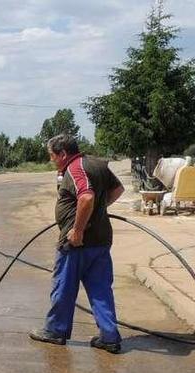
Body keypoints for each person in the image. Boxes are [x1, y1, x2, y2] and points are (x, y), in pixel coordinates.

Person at [29, 134, 125, 354]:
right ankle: (110, 337)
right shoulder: (97, 164)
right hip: (100, 240)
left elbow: (86, 198)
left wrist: (79, 229)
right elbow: (117, 190)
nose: (52, 160)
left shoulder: (75, 168)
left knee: (63, 286)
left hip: (77, 243)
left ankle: (55, 331)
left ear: (63, 154)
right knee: (101, 289)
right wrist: (97, 213)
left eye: (52, 156)